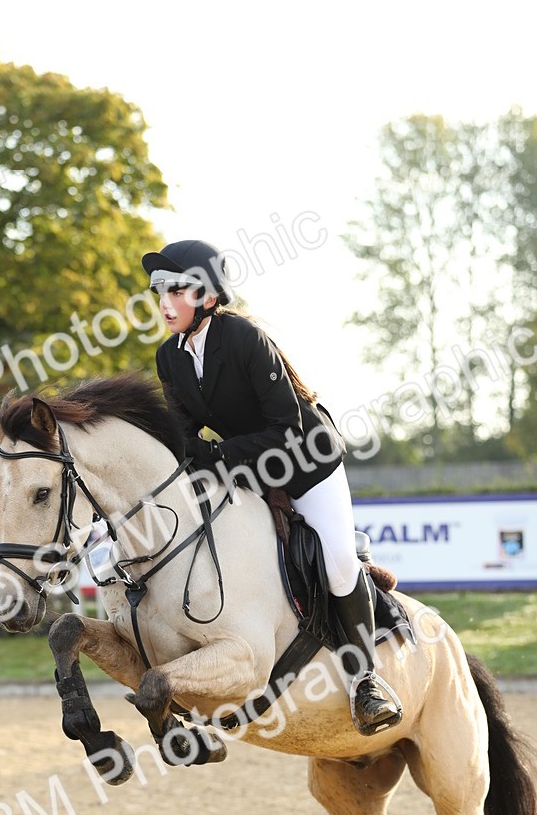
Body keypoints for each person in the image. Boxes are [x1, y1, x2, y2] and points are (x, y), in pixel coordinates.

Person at [141, 238, 402, 737]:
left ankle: (366, 681)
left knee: (338, 561)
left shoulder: (242, 339)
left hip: (307, 461)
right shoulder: (169, 357)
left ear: (208, 298)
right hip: (252, 469)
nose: (163, 301)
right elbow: (183, 435)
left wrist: (217, 455)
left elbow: (285, 426)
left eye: (175, 289)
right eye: (159, 290)